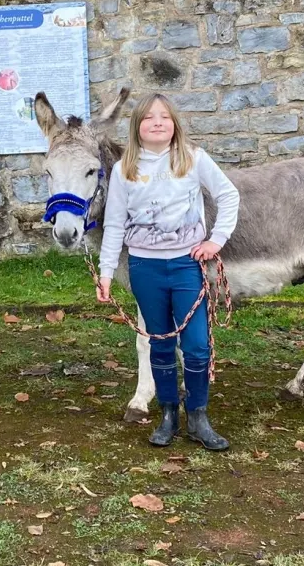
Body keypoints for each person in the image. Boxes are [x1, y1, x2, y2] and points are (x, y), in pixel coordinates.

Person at [96, 94, 240, 450]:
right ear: (137, 127)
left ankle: (198, 416)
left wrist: (216, 240)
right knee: (159, 346)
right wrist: (106, 270)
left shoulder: (192, 159)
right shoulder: (123, 170)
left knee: (197, 347)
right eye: (148, 118)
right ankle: (168, 414)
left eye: (164, 116)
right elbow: (114, 224)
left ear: (174, 123)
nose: (157, 122)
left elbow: (228, 195)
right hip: (145, 268)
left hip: (185, 265)